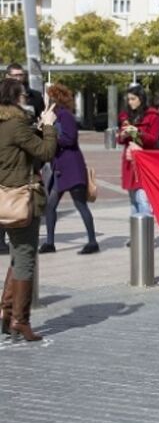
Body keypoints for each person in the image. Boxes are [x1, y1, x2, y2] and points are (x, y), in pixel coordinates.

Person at [0, 78, 57, 341]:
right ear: (15, 97)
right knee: (25, 258)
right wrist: (47, 126)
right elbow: (46, 151)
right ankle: (20, 321)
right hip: (21, 197)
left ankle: (7, 312)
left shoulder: (6, 123)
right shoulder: (16, 124)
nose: (27, 98)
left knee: (16, 255)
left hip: (5, 196)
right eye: (23, 95)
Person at [37, 83, 99, 255]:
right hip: (59, 169)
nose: (46, 100)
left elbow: (69, 139)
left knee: (80, 204)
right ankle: (49, 242)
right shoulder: (54, 116)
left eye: (48, 97)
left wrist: (51, 135)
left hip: (72, 167)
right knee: (50, 205)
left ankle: (92, 241)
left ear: (55, 99)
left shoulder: (65, 116)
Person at [0, 64, 45, 255]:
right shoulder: (11, 119)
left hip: (27, 154)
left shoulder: (35, 96)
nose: (19, 78)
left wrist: (39, 128)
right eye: (15, 75)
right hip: (13, 165)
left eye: (22, 75)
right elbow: (46, 151)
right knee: (25, 255)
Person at [117, 84, 159, 217]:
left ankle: (145, 235)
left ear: (141, 99)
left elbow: (153, 140)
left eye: (132, 99)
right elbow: (120, 139)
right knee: (133, 200)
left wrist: (138, 132)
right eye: (128, 99)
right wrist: (123, 135)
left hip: (144, 161)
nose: (130, 102)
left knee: (142, 199)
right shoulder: (127, 116)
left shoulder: (153, 116)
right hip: (130, 161)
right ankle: (137, 236)